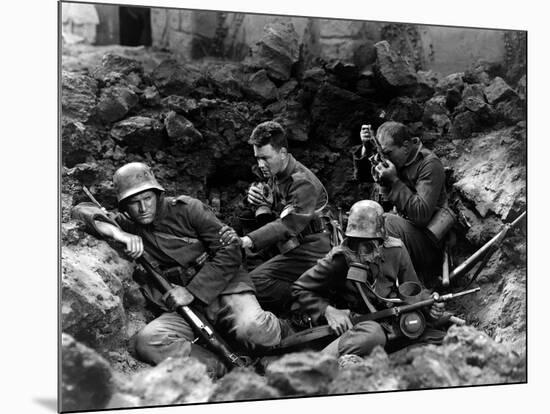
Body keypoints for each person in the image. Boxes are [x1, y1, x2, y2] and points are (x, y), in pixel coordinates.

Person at [72, 162, 282, 375]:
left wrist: (192, 292)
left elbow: (231, 250)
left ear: (157, 194)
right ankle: (224, 367)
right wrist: (119, 234)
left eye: (147, 199)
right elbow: (81, 210)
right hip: (184, 309)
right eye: (135, 203)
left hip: (225, 290)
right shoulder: (128, 225)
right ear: (125, 205)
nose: (143, 208)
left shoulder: (188, 209)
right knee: (148, 342)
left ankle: (286, 336)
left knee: (256, 331)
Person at [292, 200, 445, 357]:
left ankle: (386, 359)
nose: (360, 254)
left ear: (381, 241)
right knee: (373, 335)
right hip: (357, 328)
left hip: (389, 321)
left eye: (368, 246)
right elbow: (299, 288)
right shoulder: (339, 259)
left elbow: (412, 291)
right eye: (354, 244)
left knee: (440, 337)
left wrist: (430, 304)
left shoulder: (395, 250)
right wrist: (328, 311)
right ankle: (321, 362)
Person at [220, 121, 332, 316]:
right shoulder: (277, 172)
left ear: (282, 153)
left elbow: (288, 224)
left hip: (315, 247)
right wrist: (261, 199)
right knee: (247, 265)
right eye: (257, 158)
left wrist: (247, 240)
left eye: (265, 158)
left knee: (255, 283)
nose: (260, 164)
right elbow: (279, 205)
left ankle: (309, 307)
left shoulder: (302, 181)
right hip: (295, 242)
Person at [353, 121, 452, 284]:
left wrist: (394, 181)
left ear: (405, 146)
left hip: (429, 244)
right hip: (406, 234)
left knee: (386, 221)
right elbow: (362, 178)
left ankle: (414, 289)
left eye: (388, 153)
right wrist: (367, 148)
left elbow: (421, 215)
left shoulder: (429, 164)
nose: (386, 158)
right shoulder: (398, 159)